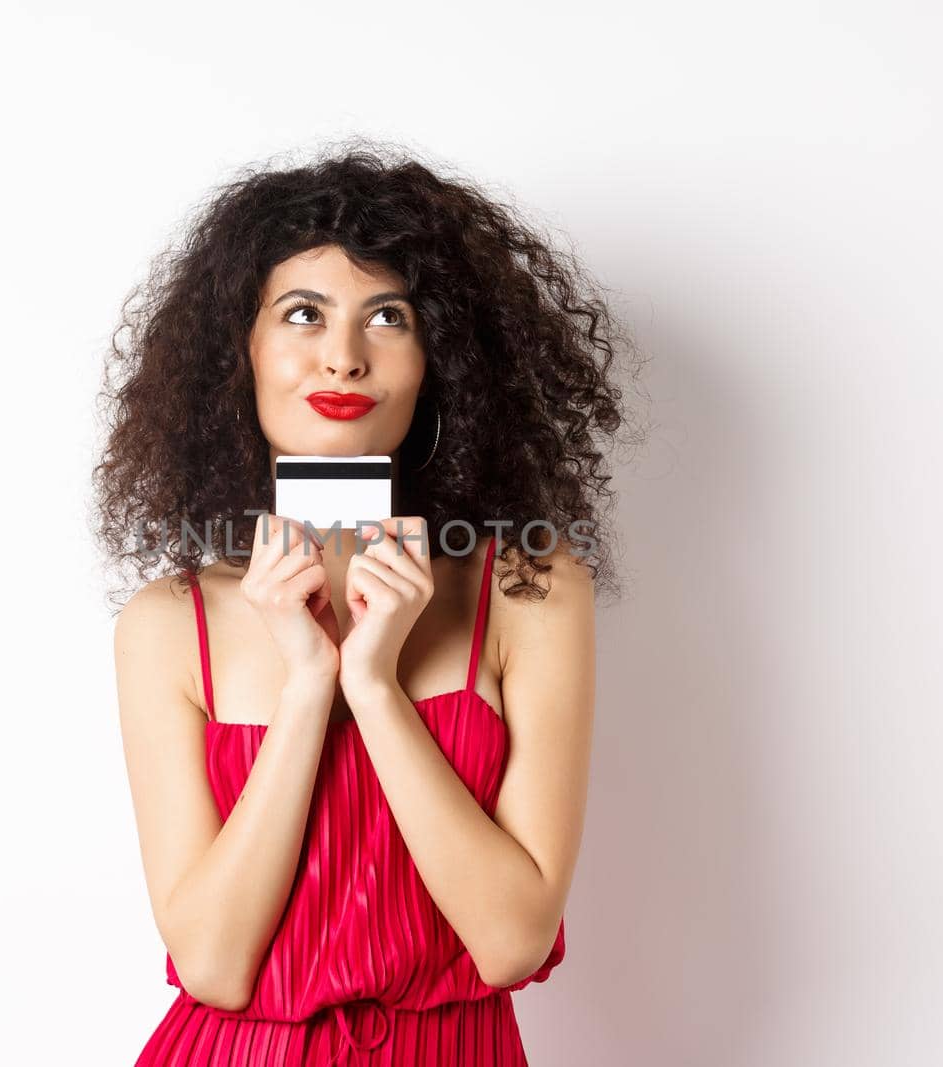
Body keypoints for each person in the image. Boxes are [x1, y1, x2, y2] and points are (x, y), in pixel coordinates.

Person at [93, 140, 642, 1065]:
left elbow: (510, 941)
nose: (343, 357)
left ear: (440, 360)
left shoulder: (529, 590)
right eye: (303, 314)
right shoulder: (167, 624)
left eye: (387, 316)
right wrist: (309, 685)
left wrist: (376, 685)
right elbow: (215, 967)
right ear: (244, 351)